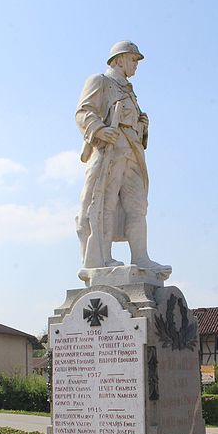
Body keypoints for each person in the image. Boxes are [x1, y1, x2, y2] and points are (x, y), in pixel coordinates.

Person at [75, 41, 169, 272]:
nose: (136, 65)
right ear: (119, 59)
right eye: (133, 59)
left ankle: (141, 257)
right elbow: (83, 111)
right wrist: (98, 129)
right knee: (104, 203)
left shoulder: (129, 91)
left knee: (137, 206)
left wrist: (142, 127)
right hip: (110, 150)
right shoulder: (101, 81)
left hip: (132, 152)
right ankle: (103, 258)